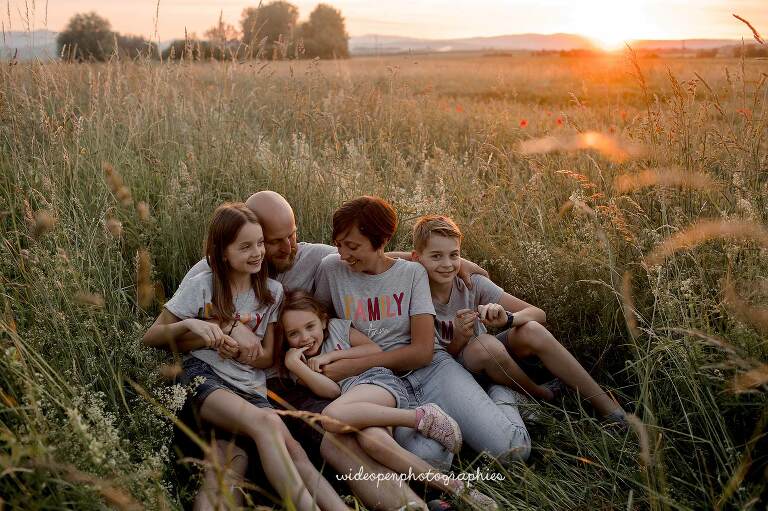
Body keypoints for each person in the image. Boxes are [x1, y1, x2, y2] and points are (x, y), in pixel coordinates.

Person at [174, 192, 449, 510]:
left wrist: (448, 264)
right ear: (249, 236)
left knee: (343, 437)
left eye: (292, 234)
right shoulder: (210, 273)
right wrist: (227, 327)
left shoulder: (311, 257)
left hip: (301, 382)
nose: (288, 247)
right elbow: (180, 332)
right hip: (244, 387)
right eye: (275, 241)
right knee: (233, 456)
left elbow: (373, 255)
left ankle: (413, 503)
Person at [142, 203, 348, 511]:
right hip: (206, 377)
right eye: (246, 246)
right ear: (222, 252)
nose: (258, 253)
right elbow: (151, 337)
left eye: (260, 244)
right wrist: (191, 323)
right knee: (265, 424)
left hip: (251, 388)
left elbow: (265, 359)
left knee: (291, 452)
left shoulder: (273, 292)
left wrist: (240, 351)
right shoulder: (203, 284)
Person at [314, 196, 532, 467]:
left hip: (432, 371)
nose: (344, 254)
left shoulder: (412, 274)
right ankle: (446, 424)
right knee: (432, 460)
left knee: (512, 451)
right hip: (376, 383)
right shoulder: (331, 269)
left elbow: (422, 352)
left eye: (353, 246)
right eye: (338, 245)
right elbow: (320, 321)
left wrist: (352, 365)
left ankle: (502, 394)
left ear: (381, 242)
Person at [279, 290, 498, 510]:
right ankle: (458, 488)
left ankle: (420, 417)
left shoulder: (338, 328)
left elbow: (373, 349)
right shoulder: (298, 364)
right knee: (374, 443)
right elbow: (332, 391)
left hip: (377, 382)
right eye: (293, 334)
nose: (305, 337)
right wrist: (297, 366)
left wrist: (330, 356)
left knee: (329, 418)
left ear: (323, 320)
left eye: (310, 327)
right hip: (357, 407)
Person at [411, 214, 627, 423]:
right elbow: (432, 363)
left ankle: (611, 410)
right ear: (416, 258)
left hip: (493, 360)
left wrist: (508, 320)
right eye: (436, 256)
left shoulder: (471, 282)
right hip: (455, 374)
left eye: (454, 255)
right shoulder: (413, 293)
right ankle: (543, 395)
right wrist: (458, 339)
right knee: (485, 345)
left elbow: (538, 314)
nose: (447, 264)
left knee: (531, 329)